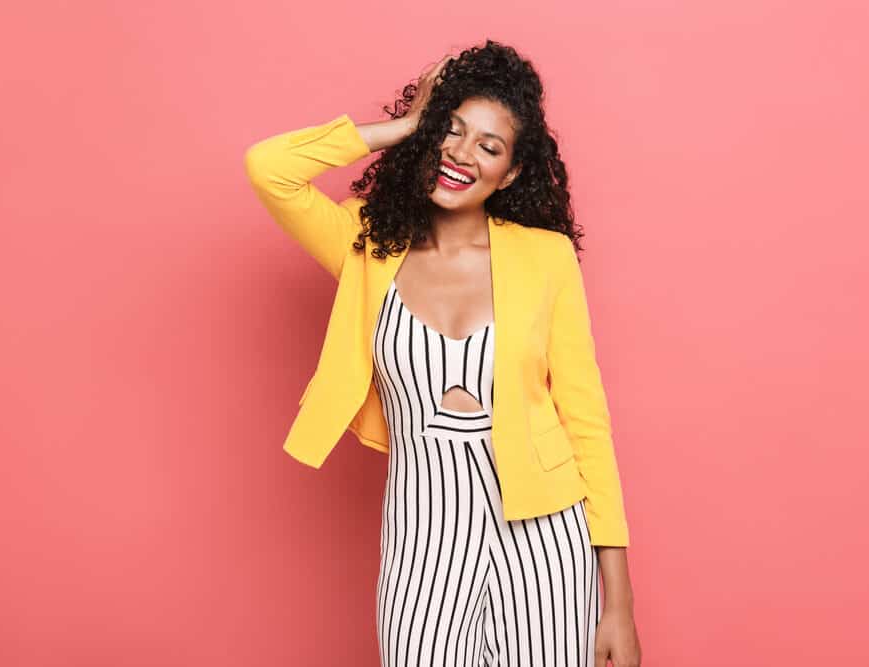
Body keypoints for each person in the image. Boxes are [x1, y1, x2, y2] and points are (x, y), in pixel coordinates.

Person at [245, 40, 641, 667]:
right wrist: (405, 126)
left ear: (509, 173)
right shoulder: (366, 243)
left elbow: (587, 427)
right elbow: (269, 167)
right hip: (423, 531)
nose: (461, 154)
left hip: (544, 533)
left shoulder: (546, 258)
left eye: (488, 146)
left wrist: (617, 603)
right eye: (450, 132)